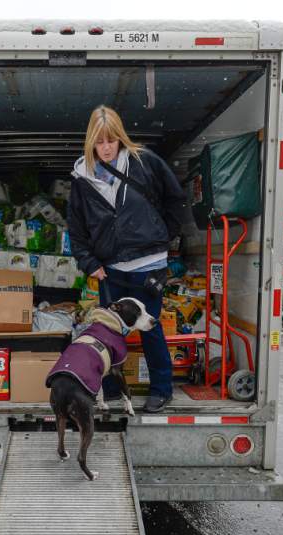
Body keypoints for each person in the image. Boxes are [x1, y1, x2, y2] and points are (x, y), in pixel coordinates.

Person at [67, 105, 188, 413]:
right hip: (111, 271)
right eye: (100, 141)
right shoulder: (81, 179)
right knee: (107, 332)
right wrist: (89, 262)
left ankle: (161, 389)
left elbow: (175, 197)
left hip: (149, 267)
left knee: (151, 329)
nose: (106, 148)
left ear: (120, 137)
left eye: (112, 140)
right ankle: (108, 391)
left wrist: (164, 234)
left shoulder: (144, 162)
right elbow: (76, 227)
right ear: (91, 142)